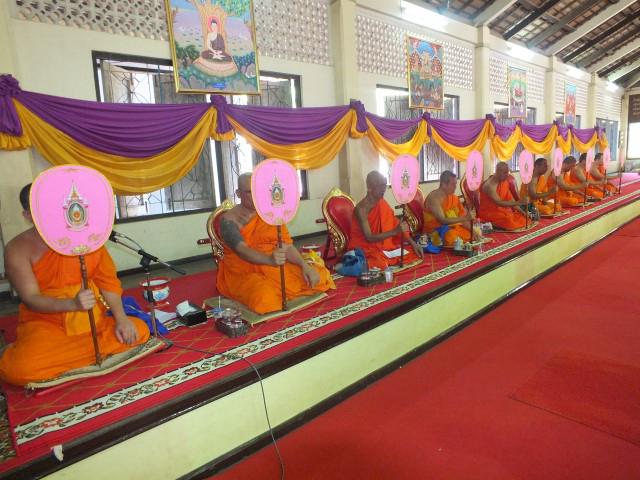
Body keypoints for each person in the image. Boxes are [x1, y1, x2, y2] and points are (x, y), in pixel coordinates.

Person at [0, 184, 150, 386]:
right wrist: (72, 304)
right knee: (20, 368)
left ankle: (67, 361)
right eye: (41, 209)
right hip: (47, 322)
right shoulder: (17, 248)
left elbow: (107, 282)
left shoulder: (86, 237)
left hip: (91, 319)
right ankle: (28, 352)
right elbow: (31, 298)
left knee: (139, 330)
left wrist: (121, 319)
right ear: (28, 215)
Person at [217, 173, 335, 315]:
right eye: (249, 192)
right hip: (245, 271)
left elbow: (286, 245)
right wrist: (269, 260)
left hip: (274, 265)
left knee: (318, 275)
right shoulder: (228, 220)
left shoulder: (271, 213)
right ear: (238, 193)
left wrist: (305, 266)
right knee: (265, 297)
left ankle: (285, 290)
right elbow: (242, 250)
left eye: (258, 191)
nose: (256, 197)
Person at [348, 171, 423, 270]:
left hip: (381, 246)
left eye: (384, 185)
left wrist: (413, 243)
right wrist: (395, 231)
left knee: (410, 253)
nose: (383, 189)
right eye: (380, 186)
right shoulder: (361, 209)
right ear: (369, 187)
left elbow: (395, 224)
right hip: (364, 248)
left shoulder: (382, 203)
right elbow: (369, 238)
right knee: (378, 262)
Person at [423, 170, 473, 246]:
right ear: (444, 185)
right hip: (435, 231)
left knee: (471, 233)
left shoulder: (454, 198)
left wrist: (473, 231)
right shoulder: (434, 199)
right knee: (451, 237)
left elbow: (462, 217)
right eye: (452, 184)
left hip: (452, 228)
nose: (455, 187)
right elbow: (443, 220)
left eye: (455, 184)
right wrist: (465, 218)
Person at [478, 162, 527, 231]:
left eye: (507, 172)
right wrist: (519, 202)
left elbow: (511, 200)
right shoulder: (489, 185)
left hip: (501, 211)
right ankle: (491, 224)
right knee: (509, 222)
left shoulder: (504, 182)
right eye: (505, 173)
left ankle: (496, 224)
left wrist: (522, 211)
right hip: (488, 213)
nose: (507, 175)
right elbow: (499, 202)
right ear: (497, 171)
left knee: (522, 217)